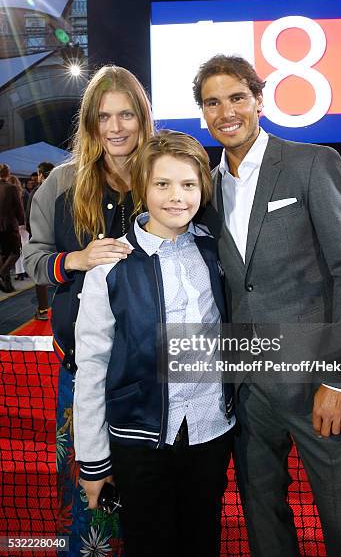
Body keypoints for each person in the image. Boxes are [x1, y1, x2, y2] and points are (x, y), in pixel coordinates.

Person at [193, 55, 341, 556]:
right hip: (248, 390)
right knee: (263, 520)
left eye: (236, 97)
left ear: (259, 99)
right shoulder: (204, 187)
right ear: (202, 113)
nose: (225, 111)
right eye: (212, 102)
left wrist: (339, 379)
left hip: (316, 381)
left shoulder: (312, 163)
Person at [73, 130, 234, 557]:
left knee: (203, 542)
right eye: (162, 184)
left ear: (203, 187)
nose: (176, 196)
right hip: (139, 441)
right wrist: (92, 461)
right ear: (143, 186)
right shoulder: (110, 267)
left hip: (211, 434)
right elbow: (91, 366)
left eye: (188, 184)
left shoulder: (216, 252)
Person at [23, 65, 154, 556]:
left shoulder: (161, 176)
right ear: (90, 123)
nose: (116, 127)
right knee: (89, 501)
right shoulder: (60, 182)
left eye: (126, 115)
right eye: (104, 116)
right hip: (83, 372)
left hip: (153, 373)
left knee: (147, 500)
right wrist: (75, 259)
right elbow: (33, 260)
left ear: (143, 119)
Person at [25, 161, 55, 319]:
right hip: (62, 240)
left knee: (41, 272)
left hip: (42, 240)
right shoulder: (63, 189)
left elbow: (29, 217)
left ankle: (43, 309)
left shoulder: (37, 191)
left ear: (41, 174)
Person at [0, 163, 24, 293]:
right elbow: (19, 208)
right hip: (9, 227)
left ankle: (7, 286)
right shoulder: (11, 188)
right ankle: (2, 273)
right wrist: (22, 222)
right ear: (7, 173)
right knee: (15, 252)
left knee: (4, 255)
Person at [8, 174, 29, 281]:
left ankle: (20, 272)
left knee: (17, 250)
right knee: (25, 248)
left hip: (13, 225)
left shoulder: (8, 193)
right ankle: (27, 270)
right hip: (24, 224)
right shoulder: (24, 193)